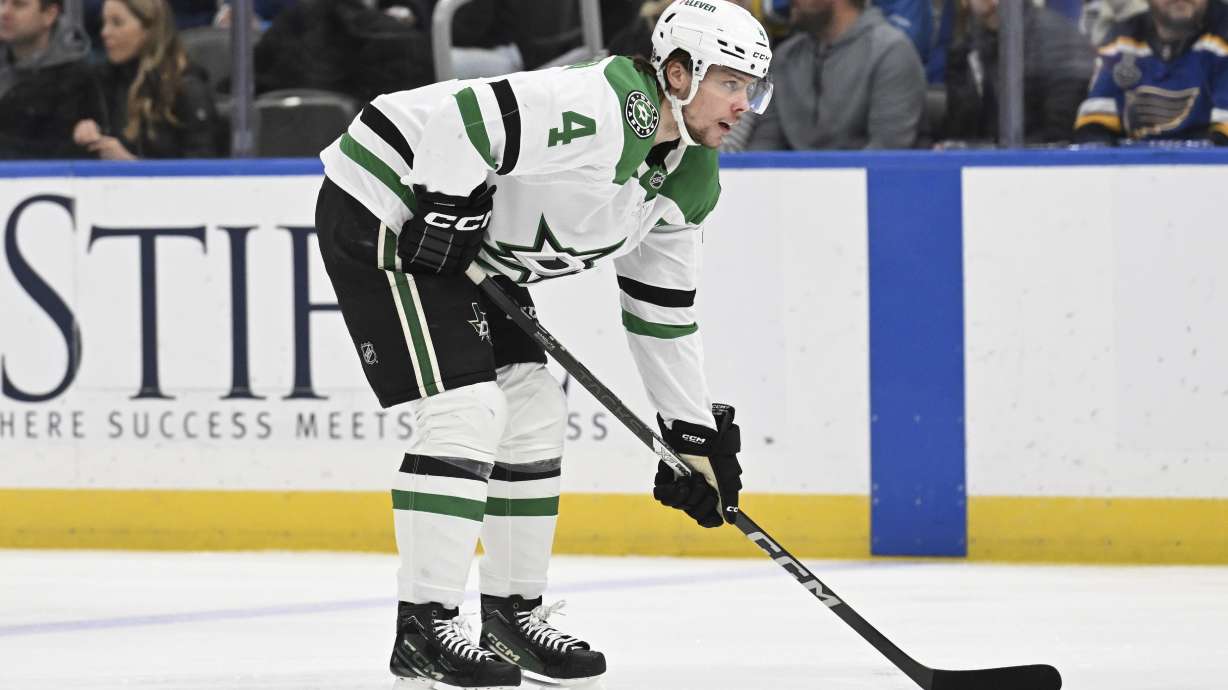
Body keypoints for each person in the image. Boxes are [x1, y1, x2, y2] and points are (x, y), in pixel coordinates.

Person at [314, 1, 769, 686]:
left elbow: (661, 316)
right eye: (730, 83)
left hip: (465, 247)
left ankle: (510, 615)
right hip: (388, 205)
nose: (743, 105)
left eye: (751, 88)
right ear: (679, 71)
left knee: (532, 408)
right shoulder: (603, 105)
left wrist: (691, 435)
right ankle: (423, 627)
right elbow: (462, 121)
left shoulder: (688, 177)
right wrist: (448, 204)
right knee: (467, 409)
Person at [741, 0, 925, 150]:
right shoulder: (784, 57)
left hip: (865, 190)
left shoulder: (891, 52)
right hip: (791, 188)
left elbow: (886, 151)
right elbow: (766, 142)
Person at [73, 0, 219, 159]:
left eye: (117, 23)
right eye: (104, 23)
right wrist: (84, 131)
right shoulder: (100, 81)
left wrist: (131, 166)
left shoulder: (187, 88)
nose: (105, 32)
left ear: (149, 30)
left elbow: (201, 173)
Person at [1074, 0, 1228, 145]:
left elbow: (1223, 141)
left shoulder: (1223, 37)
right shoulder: (1123, 39)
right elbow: (1094, 126)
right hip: (1137, 168)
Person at [943, 0, 1095, 145]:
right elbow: (961, 126)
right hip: (992, 160)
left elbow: (1059, 132)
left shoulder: (1055, 39)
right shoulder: (969, 46)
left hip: (1043, 162)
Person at [0, 0, 105, 159]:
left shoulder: (77, 78)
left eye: (19, 5)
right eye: (1, 3)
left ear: (49, 14)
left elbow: (63, 154)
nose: (4, 13)